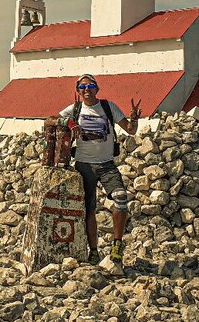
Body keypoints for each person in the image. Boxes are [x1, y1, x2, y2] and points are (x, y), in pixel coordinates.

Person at [57, 74, 139, 264]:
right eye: (82, 87)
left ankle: (117, 245)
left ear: (97, 88)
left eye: (91, 85)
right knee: (89, 209)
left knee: (120, 198)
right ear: (78, 91)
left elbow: (131, 129)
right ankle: (93, 251)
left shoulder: (108, 107)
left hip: (107, 164)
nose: (87, 89)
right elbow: (50, 120)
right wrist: (70, 122)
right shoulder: (75, 109)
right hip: (83, 165)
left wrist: (134, 120)